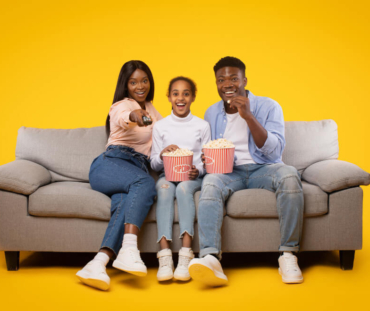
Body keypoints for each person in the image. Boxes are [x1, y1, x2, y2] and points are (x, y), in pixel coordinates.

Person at [188, 56, 304, 286]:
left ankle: (288, 255)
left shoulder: (269, 106)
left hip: (265, 168)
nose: (227, 84)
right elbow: (210, 149)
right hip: (230, 172)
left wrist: (248, 116)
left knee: (290, 176)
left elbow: (274, 151)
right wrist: (206, 158)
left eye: (233, 78)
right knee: (210, 183)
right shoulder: (211, 113)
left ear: (244, 80)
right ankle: (211, 257)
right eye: (221, 80)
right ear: (217, 84)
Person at [76, 60, 162, 290]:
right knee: (144, 183)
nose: (140, 86)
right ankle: (129, 248)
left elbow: (165, 133)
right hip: (110, 164)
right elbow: (126, 116)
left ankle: (98, 262)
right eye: (133, 82)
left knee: (125, 205)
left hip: (132, 172)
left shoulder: (153, 109)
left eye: (144, 80)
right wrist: (136, 116)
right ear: (126, 86)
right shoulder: (121, 105)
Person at [151, 77, 211, 281]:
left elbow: (208, 159)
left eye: (186, 93)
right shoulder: (160, 127)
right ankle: (165, 255)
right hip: (166, 175)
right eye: (175, 93)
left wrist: (199, 171)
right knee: (166, 187)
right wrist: (161, 155)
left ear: (193, 97)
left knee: (184, 188)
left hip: (190, 178)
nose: (180, 98)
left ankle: (186, 254)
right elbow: (153, 163)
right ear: (168, 97)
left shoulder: (202, 126)